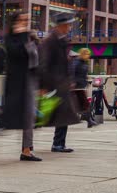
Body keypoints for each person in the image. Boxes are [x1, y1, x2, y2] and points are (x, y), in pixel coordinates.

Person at [1, 12, 41, 161]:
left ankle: (26, 150)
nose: (25, 23)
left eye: (27, 20)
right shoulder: (10, 39)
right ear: (14, 22)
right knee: (14, 116)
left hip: (29, 81)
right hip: (16, 82)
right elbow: (17, 54)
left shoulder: (29, 37)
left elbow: (35, 58)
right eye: (22, 20)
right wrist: (24, 36)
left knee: (29, 117)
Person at [39, 13, 81, 153]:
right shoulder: (50, 40)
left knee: (64, 114)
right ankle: (56, 144)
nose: (69, 28)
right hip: (54, 83)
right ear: (61, 26)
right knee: (54, 114)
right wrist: (43, 86)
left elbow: (65, 62)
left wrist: (70, 80)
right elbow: (44, 64)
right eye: (68, 25)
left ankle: (59, 143)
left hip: (62, 83)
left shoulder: (62, 40)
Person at [72, 48, 97, 128]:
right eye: (87, 54)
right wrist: (73, 82)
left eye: (89, 54)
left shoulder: (84, 62)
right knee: (84, 104)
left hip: (81, 86)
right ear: (83, 54)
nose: (88, 56)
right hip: (76, 87)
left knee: (82, 105)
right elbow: (72, 72)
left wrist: (86, 81)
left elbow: (84, 74)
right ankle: (89, 121)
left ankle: (89, 121)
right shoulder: (77, 62)